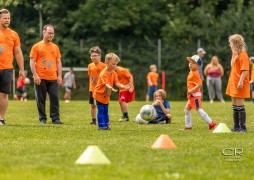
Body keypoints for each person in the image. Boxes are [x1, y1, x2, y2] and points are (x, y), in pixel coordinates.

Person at [30, 24, 63, 124]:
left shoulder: (55, 47)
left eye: (52, 33)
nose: (51, 35)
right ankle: (42, 118)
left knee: (54, 98)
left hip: (53, 77)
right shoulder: (36, 46)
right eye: (49, 33)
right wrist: (35, 75)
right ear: (43, 32)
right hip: (40, 77)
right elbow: (32, 62)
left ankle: (55, 118)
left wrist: (60, 76)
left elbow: (58, 62)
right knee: (41, 99)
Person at [93, 53, 130, 130]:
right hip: (99, 95)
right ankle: (101, 126)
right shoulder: (103, 73)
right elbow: (106, 83)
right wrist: (111, 88)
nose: (115, 66)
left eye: (116, 64)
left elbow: (117, 83)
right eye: (113, 64)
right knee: (101, 110)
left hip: (106, 95)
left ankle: (106, 125)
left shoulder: (113, 73)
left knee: (106, 110)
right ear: (107, 62)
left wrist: (124, 86)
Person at [0, 9, 25, 125]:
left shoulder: (14, 34)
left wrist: (21, 69)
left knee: (4, 94)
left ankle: (1, 118)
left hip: (7, 69)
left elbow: (18, 52)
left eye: (8, 18)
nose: (7, 20)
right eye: (5, 18)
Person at [183, 55, 216, 130]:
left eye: (193, 63)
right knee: (186, 110)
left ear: (198, 66)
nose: (190, 64)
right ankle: (188, 126)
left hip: (195, 95)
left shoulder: (195, 73)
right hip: (192, 96)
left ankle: (211, 123)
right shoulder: (192, 71)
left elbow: (200, 84)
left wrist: (191, 91)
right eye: (190, 62)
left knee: (199, 110)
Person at [226, 34, 250, 133]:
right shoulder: (236, 54)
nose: (230, 45)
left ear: (235, 44)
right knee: (234, 106)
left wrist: (240, 82)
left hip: (240, 83)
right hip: (233, 83)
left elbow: (245, 70)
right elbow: (232, 65)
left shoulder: (243, 55)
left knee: (240, 106)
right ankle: (236, 127)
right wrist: (233, 57)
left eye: (231, 43)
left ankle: (243, 128)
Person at [88, 46, 106, 125]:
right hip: (92, 89)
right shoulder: (90, 66)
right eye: (92, 56)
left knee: (101, 106)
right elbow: (90, 77)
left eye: (95, 55)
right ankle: (94, 120)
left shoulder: (104, 66)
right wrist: (90, 86)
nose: (93, 57)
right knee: (93, 105)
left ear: (100, 56)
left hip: (101, 89)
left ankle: (104, 120)